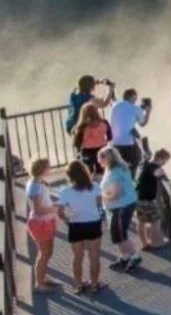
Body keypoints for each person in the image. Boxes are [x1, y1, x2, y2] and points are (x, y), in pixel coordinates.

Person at [54, 161, 108, 295]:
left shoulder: (65, 192)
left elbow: (60, 212)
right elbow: (100, 206)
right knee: (94, 257)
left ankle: (78, 285)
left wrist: (68, 221)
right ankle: (95, 284)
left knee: (77, 257)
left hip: (76, 225)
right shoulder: (95, 187)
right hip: (93, 223)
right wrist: (100, 218)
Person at [98, 146, 145, 273]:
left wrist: (100, 196)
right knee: (118, 233)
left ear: (107, 159)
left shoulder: (114, 173)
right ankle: (125, 256)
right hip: (123, 205)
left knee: (120, 234)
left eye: (100, 158)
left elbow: (116, 194)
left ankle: (135, 256)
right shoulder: (118, 168)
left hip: (120, 207)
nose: (99, 161)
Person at [22, 157, 63, 291]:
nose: (50, 169)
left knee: (47, 252)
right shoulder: (35, 187)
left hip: (44, 222)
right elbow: (38, 210)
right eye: (48, 166)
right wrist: (54, 208)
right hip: (40, 223)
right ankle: (39, 284)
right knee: (44, 253)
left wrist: (52, 207)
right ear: (43, 169)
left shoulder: (37, 183)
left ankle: (43, 278)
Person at [135, 146, 171, 251]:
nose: (164, 163)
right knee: (155, 220)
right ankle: (156, 242)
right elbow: (157, 173)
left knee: (141, 221)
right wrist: (162, 171)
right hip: (148, 199)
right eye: (165, 161)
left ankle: (144, 244)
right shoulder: (154, 167)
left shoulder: (146, 164)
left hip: (138, 196)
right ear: (160, 159)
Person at [107, 87, 151, 160]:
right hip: (127, 144)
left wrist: (112, 89)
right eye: (135, 98)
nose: (136, 100)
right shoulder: (136, 109)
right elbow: (143, 124)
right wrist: (148, 112)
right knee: (136, 159)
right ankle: (145, 155)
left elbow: (124, 110)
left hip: (114, 142)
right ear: (132, 97)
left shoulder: (115, 105)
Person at [71, 100, 111, 171]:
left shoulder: (82, 127)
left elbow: (77, 143)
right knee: (102, 171)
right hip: (102, 149)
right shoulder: (104, 123)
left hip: (87, 151)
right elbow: (110, 136)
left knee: (89, 172)